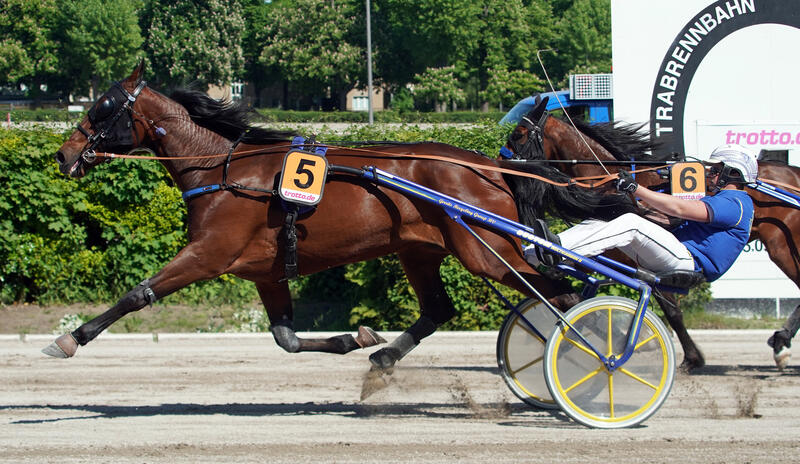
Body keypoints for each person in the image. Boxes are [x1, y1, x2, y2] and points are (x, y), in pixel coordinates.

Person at [524, 144, 757, 287]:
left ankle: (558, 251)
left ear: (733, 174)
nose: (710, 174)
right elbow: (670, 218)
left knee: (631, 225)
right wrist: (633, 200)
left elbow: (679, 209)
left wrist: (636, 188)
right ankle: (533, 254)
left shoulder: (737, 203)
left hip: (689, 263)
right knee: (608, 221)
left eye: (716, 170)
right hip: (676, 254)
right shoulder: (723, 201)